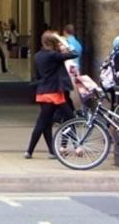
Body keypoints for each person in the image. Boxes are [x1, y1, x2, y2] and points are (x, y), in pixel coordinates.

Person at [24, 31, 77, 159]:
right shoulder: (53, 55)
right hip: (54, 93)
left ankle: (34, 151)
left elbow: (38, 75)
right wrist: (63, 41)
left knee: (44, 123)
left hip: (42, 92)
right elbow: (74, 53)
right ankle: (76, 145)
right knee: (70, 117)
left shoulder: (38, 56)